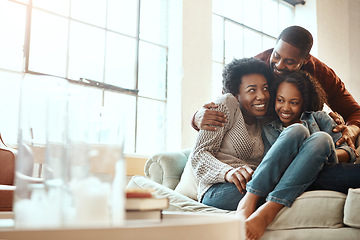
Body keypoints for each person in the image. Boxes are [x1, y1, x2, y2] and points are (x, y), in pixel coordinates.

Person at [192, 25, 360, 195]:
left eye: (289, 62)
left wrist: (352, 129)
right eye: (277, 55)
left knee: (314, 139)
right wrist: (196, 118)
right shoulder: (257, 68)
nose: (279, 65)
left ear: (305, 60)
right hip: (260, 168)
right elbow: (227, 103)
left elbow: (354, 112)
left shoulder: (321, 77)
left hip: (303, 155)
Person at [238, 70, 356, 240]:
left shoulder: (319, 118)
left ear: (304, 103)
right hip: (288, 175)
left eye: (294, 102)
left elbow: (349, 152)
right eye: (280, 100)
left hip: (324, 163)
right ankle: (247, 202)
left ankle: (268, 211)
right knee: (296, 130)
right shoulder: (268, 126)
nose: (285, 108)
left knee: (321, 138)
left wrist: (310, 155)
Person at [190, 57, 273, 211]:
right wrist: (228, 172)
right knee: (273, 195)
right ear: (236, 94)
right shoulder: (227, 104)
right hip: (218, 189)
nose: (262, 96)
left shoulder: (266, 122)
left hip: (253, 185)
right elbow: (199, 154)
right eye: (252, 90)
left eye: (265, 88)